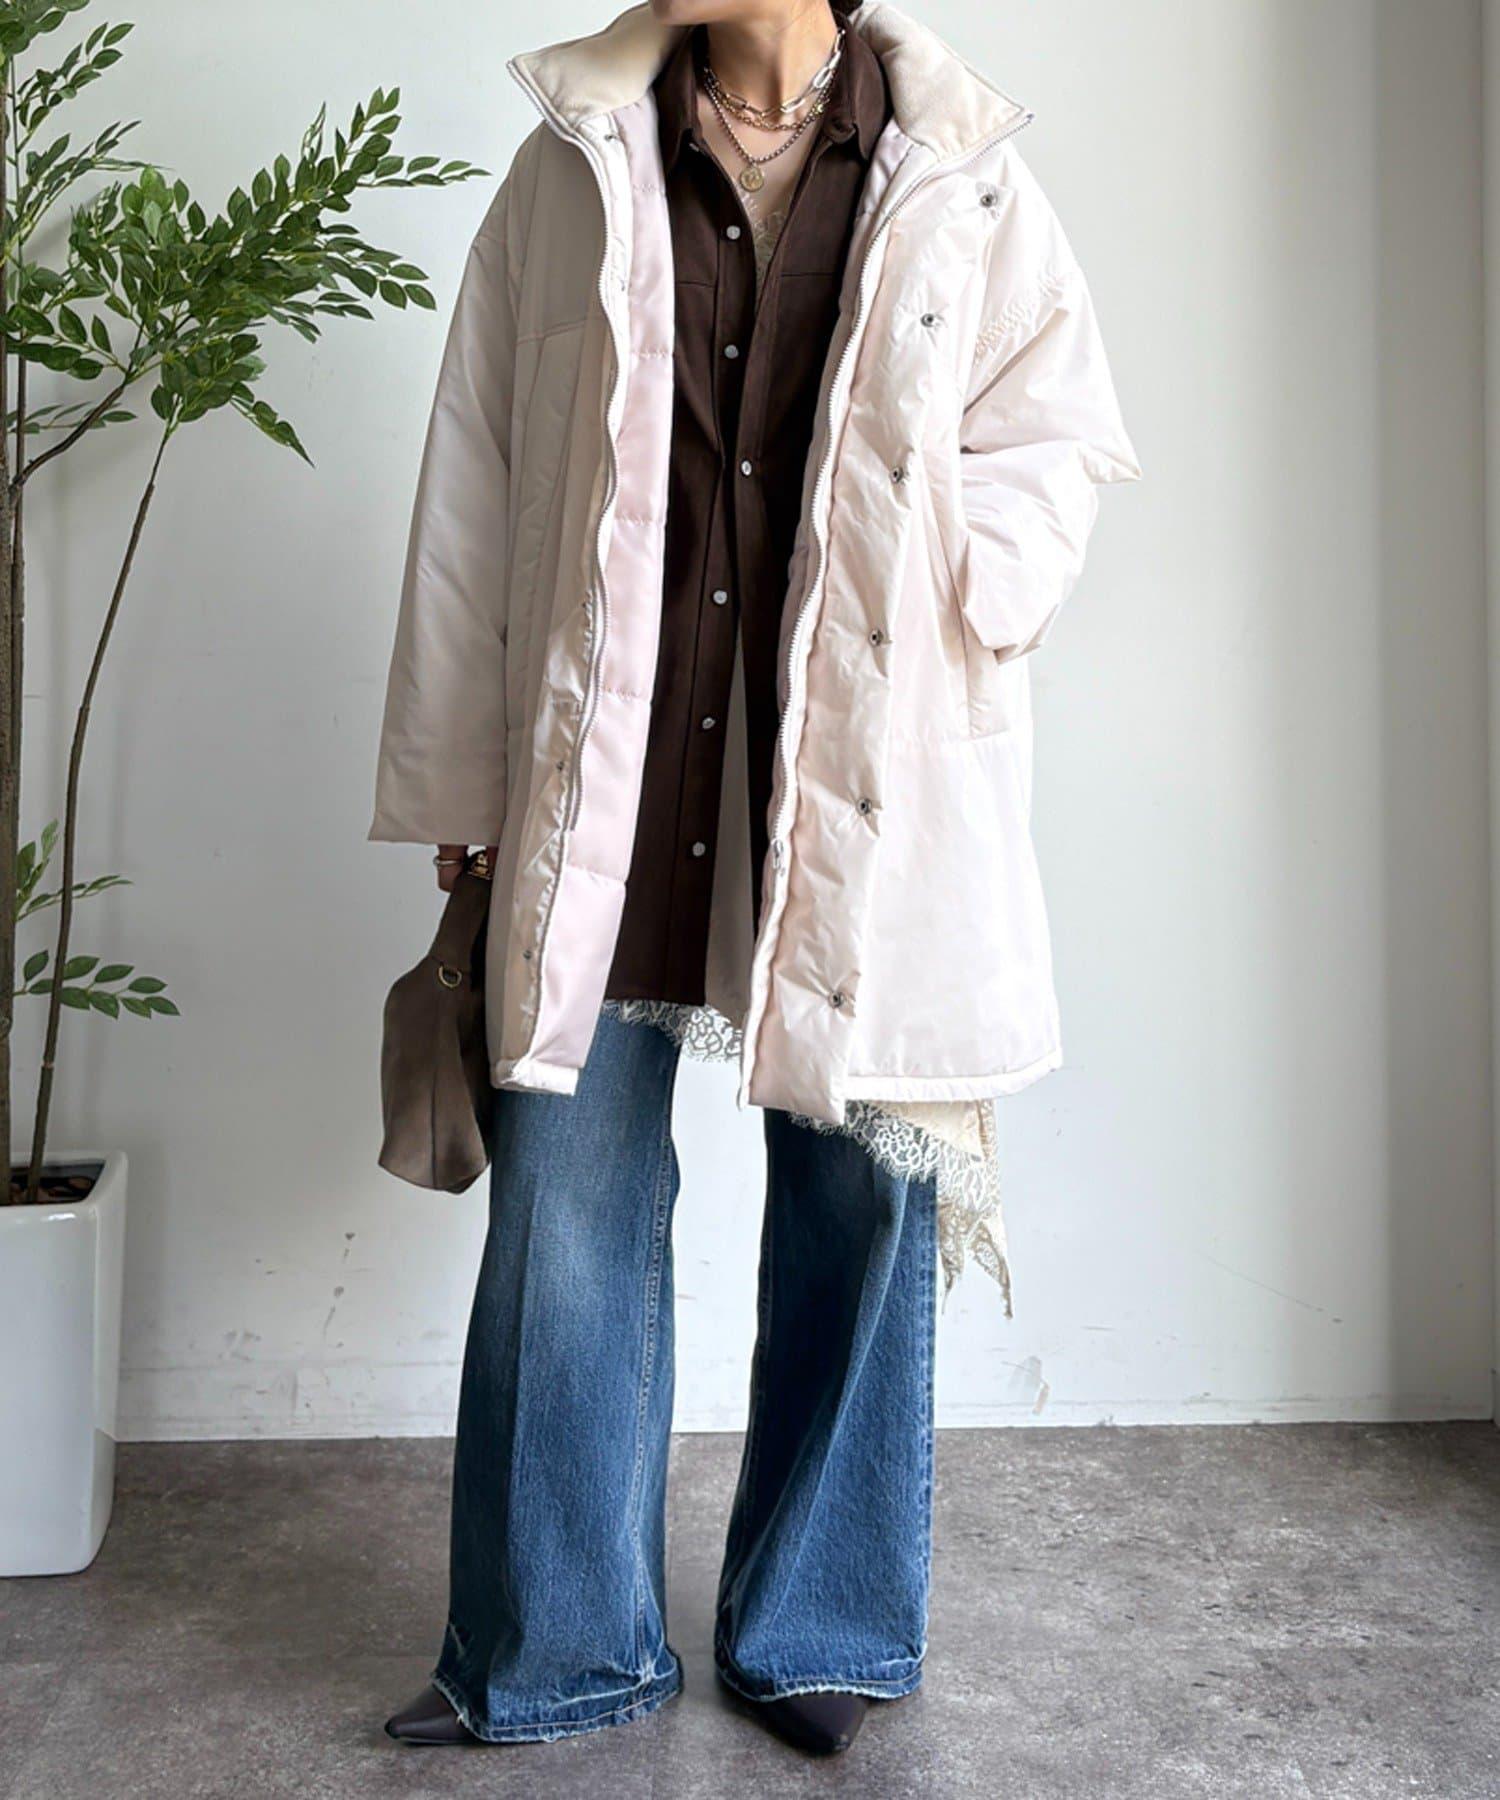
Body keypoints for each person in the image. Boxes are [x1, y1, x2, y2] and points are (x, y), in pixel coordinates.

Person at [371, 0, 1138, 1758]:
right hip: (611, 768)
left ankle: (823, 1629)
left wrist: (968, 590)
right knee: (562, 1202)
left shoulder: (958, 165)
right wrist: (459, 780)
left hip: (862, 770)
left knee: (863, 1201)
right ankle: (558, 1647)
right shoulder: (575, 158)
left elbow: (1055, 431)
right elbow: (477, 478)